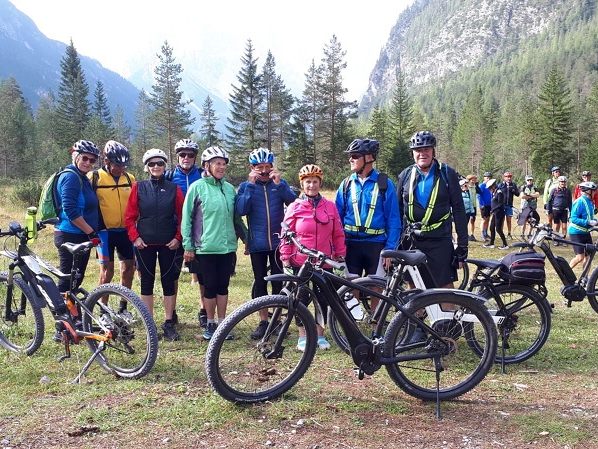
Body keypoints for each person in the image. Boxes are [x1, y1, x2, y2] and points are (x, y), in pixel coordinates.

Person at [181, 146, 247, 341]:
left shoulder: (228, 189)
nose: (221, 167)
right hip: (205, 247)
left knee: (223, 286)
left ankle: (222, 323)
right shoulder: (197, 187)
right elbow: (187, 219)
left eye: (224, 164)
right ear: (207, 165)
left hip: (227, 247)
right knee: (209, 287)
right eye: (217, 163)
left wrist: (246, 239)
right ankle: (210, 324)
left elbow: (236, 219)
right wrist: (188, 246)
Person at [280, 164, 346, 351]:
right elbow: (286, 233)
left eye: (315, 182)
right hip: (301, 262)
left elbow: (338, 233)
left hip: (324, 262)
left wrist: (340, 254)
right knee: (300, 300)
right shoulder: (295, 207)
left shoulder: (330, 207)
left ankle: (320, 335)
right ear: (302, 184)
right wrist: (285, 256)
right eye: (308, 182)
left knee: (323, 299)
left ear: (320, 183)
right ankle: (302, 336)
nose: (312, 185)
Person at [235, 147, 296, 339]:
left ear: (272, 167)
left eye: (267, 167)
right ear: (252, 168)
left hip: (278, 242)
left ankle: (277, 321)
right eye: (259, 167)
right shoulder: (246, 186)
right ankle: (263, 321)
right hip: (257, 243)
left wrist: (280, 185)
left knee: (278, 282)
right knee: (260, 282)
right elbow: (241, 210)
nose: (263, 171)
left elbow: (294, 205)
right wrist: (251, 186)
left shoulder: (279, 184)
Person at [124, 148, 184, 341]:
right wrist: (135, 238)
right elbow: (129, 216)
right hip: (145, 244)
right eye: (152, 164)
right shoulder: (138, 187)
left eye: (159, 163)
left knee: (168, 282)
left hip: (169, 244)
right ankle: (149, 324)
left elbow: (184, 216)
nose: (156, 167)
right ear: (147, 167)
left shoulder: (174, 189)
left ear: (165, 166)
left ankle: (168, 323)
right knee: (147, 283)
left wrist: (178, 237)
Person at [396, 131, 468, 288]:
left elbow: (459, 210)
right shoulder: (406, 175)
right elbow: (398, 210)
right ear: (413, 153)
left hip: (440, 239)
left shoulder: (447, 173)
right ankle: (418, 314)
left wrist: (462, 246)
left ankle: (446, 314)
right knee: (414, 289)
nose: (422, 154)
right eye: (418, 150)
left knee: (445, 289)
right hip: (412, 240)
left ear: (433, 151)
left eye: (426, 149)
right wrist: (395, 242)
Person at [335, 138, 400, 281]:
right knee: (351, 287)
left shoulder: (384, 183)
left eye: (355, 156)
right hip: (350, 244)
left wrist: (389, 250)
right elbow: (337, 218)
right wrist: (336, 245)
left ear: (369, 158)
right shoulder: (346, 184)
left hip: (376, 244)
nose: (350, 159)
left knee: (376, 288)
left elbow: (393, 219)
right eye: (350, 156)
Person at [54, 140, 100, 295]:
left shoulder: (82, 177)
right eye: (84, 158)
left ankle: (72, 315)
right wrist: (91, 232)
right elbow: (70, 210)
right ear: (75, 156)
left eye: (92, 160)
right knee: (67, 281)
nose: (88, 163)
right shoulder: (71, 177)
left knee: (76, 279)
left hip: (80, 235)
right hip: (70, 234)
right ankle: (64, 316)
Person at [89, 140, 135, 292]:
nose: (120, 169)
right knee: (107, 272)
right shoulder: (94, 177)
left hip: (126, 231)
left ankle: (123, 307)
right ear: (107, 161)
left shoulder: (130, 178)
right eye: (117, 165)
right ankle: (103, 310)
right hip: (104, 232)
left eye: (123, 166)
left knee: (129, 269)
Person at [568, 181, 598, 270]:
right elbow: (573, 218)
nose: (595, 192)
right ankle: (566, 275)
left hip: (586, 232)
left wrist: (595, 221)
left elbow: (589, 216)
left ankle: (585, 278)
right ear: (588, 191)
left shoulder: (590, 202)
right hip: (576, 232)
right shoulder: (579, 201)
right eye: (594, 190)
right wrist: (588, 222)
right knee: (580, 257)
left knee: (588, 257)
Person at [483, 179, 509, 250]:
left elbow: (501, 203)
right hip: (495, 213)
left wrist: (493, 210)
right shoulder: (494, 192)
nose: (489, 189)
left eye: (489, 188)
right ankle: (491, 243)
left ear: (493, 186)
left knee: (498, 229)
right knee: (491, 227)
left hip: (499, 213)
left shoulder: (499, 192)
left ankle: (505, 244)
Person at [547, 175, 572, 244]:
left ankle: (563, 240)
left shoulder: (568, 191)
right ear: (559, 182)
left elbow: (570, 202)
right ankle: (556, 240)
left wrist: (571, 211)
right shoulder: (554, 190)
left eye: (564, 182)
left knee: (564, 226)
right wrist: (549, 210)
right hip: (556, 210)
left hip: (564, 210)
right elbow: (549, 201)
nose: (563, 183)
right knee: (557, 226)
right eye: (561, 182)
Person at [498, 171, 519, 239]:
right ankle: (501, 233)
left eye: (510, 177)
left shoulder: (513, 185)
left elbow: (517, 194)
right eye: (507, 177)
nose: (509, 178)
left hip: (509, 205)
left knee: (509, 220)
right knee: (502, 220)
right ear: (504, 177)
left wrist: (513, 190)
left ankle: (509, 233)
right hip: (502, 205)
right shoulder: (500, 185)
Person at [478, 171, 492, 241]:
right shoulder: (482, 186)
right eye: (487, 177)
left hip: (489, 205)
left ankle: (486, 233)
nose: (488, 179)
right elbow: (478, 195)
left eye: (489, 177)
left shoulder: (490, 186)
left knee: (488, 219)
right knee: (484, 220)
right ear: (484, 178)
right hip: (483, 205)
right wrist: (481, 205)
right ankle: (482, 234)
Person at [465, 174, 479, 241]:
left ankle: (472, 234)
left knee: (473, 220)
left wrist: (477, 185)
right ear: (469, 180)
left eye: (475, 180)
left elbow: (480, 192)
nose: (474, 181)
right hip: (467, 207)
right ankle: (466, 234)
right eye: (472, 180)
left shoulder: (475, 187)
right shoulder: (466, 187)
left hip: (474, 206)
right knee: (466, 221)